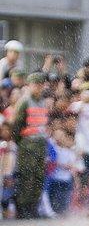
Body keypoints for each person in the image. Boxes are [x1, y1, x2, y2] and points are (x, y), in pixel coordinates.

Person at [12, 72, 49, 218]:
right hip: (27, 144)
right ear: (30, 85)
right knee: (27, 176)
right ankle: (23, 208)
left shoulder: (43, 101)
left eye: (40, 85)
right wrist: (21, 143)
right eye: (36, 84)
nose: (38, 87)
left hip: (40, 143)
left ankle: (33, 206)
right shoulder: (24, 101)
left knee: (38, 176)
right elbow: (17, 126)